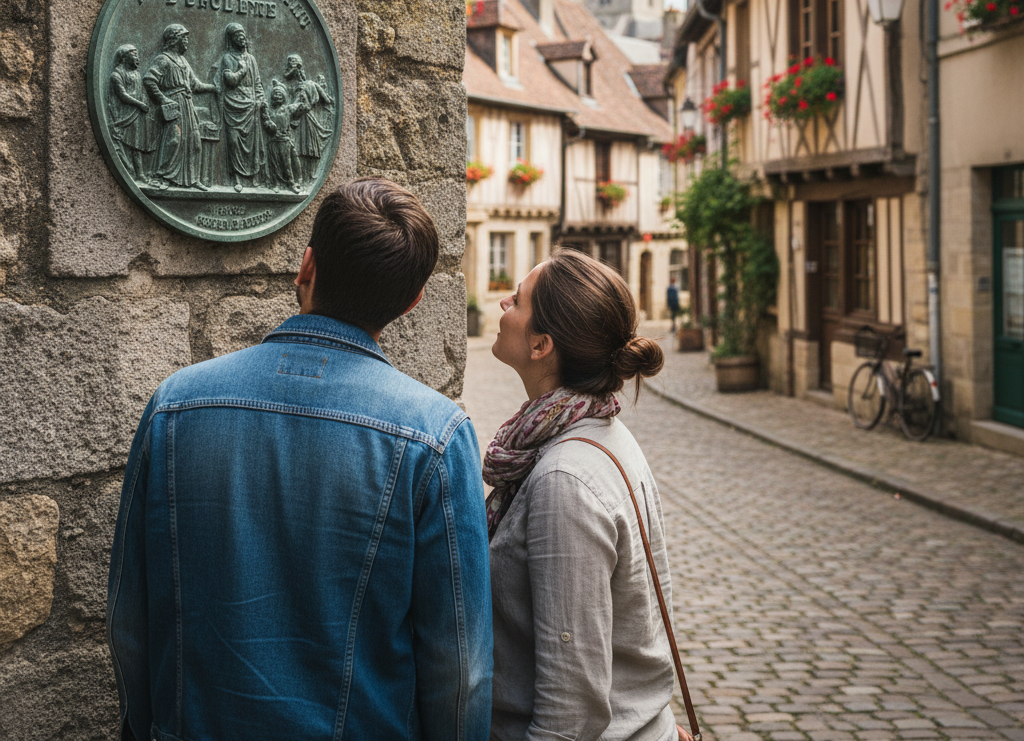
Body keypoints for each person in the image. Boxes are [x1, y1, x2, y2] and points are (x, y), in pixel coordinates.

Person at [107, 178, 493, 741]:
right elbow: (461, 668)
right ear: (412, 302)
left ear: (306, 266)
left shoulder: (175, 405)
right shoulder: (435, 436)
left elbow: (129, 623)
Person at [485, 248, 693, 741]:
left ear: (541, 346)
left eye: (515, 301)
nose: (501, 306)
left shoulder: (564, 480)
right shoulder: (602, 430)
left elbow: (570, 713)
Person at [144, 23, 217, 189]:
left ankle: (192, 178)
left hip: (187, 105)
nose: (187, 42)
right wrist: (163, 99)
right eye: (184, 38)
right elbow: (149, 80)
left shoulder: (183, 61)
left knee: (195, 142)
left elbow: (195, 85)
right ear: (175, 39)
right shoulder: (163, 59)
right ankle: (161, 176)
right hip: (174, 103)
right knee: (174, 140)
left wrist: (214, 88)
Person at [217, 22, 269, 191]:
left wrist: (261, 100)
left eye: (243, 35)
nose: (242, 38)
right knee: (233, 142)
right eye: (238, 36)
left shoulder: (251, 59)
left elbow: (258, 83)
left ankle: (254, 178)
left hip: (251, 104)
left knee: (253, 144)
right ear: (231, 39)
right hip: (233, 104)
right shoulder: (227, 58)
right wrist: (241, 70)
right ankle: (236, 178)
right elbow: (229, 81)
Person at [108, 43, 154, 182]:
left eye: (137, 54)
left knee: (137, 144)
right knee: (131, 144)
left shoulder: (136, 73)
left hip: (138, 113)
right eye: (134, 54)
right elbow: (122, 95)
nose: (137, 57)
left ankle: (139, 172)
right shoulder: (116, 75)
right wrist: (139, 104)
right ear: (124, 57)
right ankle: (133, 171)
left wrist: (145, 102)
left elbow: (141, 91)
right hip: (125, 115)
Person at [284, 52, 333, 182]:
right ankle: (299, 178)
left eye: (290, 66)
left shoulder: (310, 84)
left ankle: (308, 177)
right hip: (295, 119)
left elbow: (326, 99)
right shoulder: (291, 87)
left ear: (297, 68)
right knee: (296, 149)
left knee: (307, 148)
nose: (287, 69)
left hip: (306, 119)